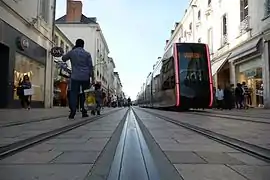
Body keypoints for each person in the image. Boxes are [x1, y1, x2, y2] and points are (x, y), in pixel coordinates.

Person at [62, 39, 93, 119]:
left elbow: (63, 58)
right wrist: (92, 78)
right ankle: (84, 110)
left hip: (75, 76)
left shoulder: (72, 52)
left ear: (76, 44)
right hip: (85, 77)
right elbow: (90, 67)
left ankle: (73, 110)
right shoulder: (87, 54)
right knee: (84, 94)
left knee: (73, 93)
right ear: (83, 45)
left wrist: (72, 50)